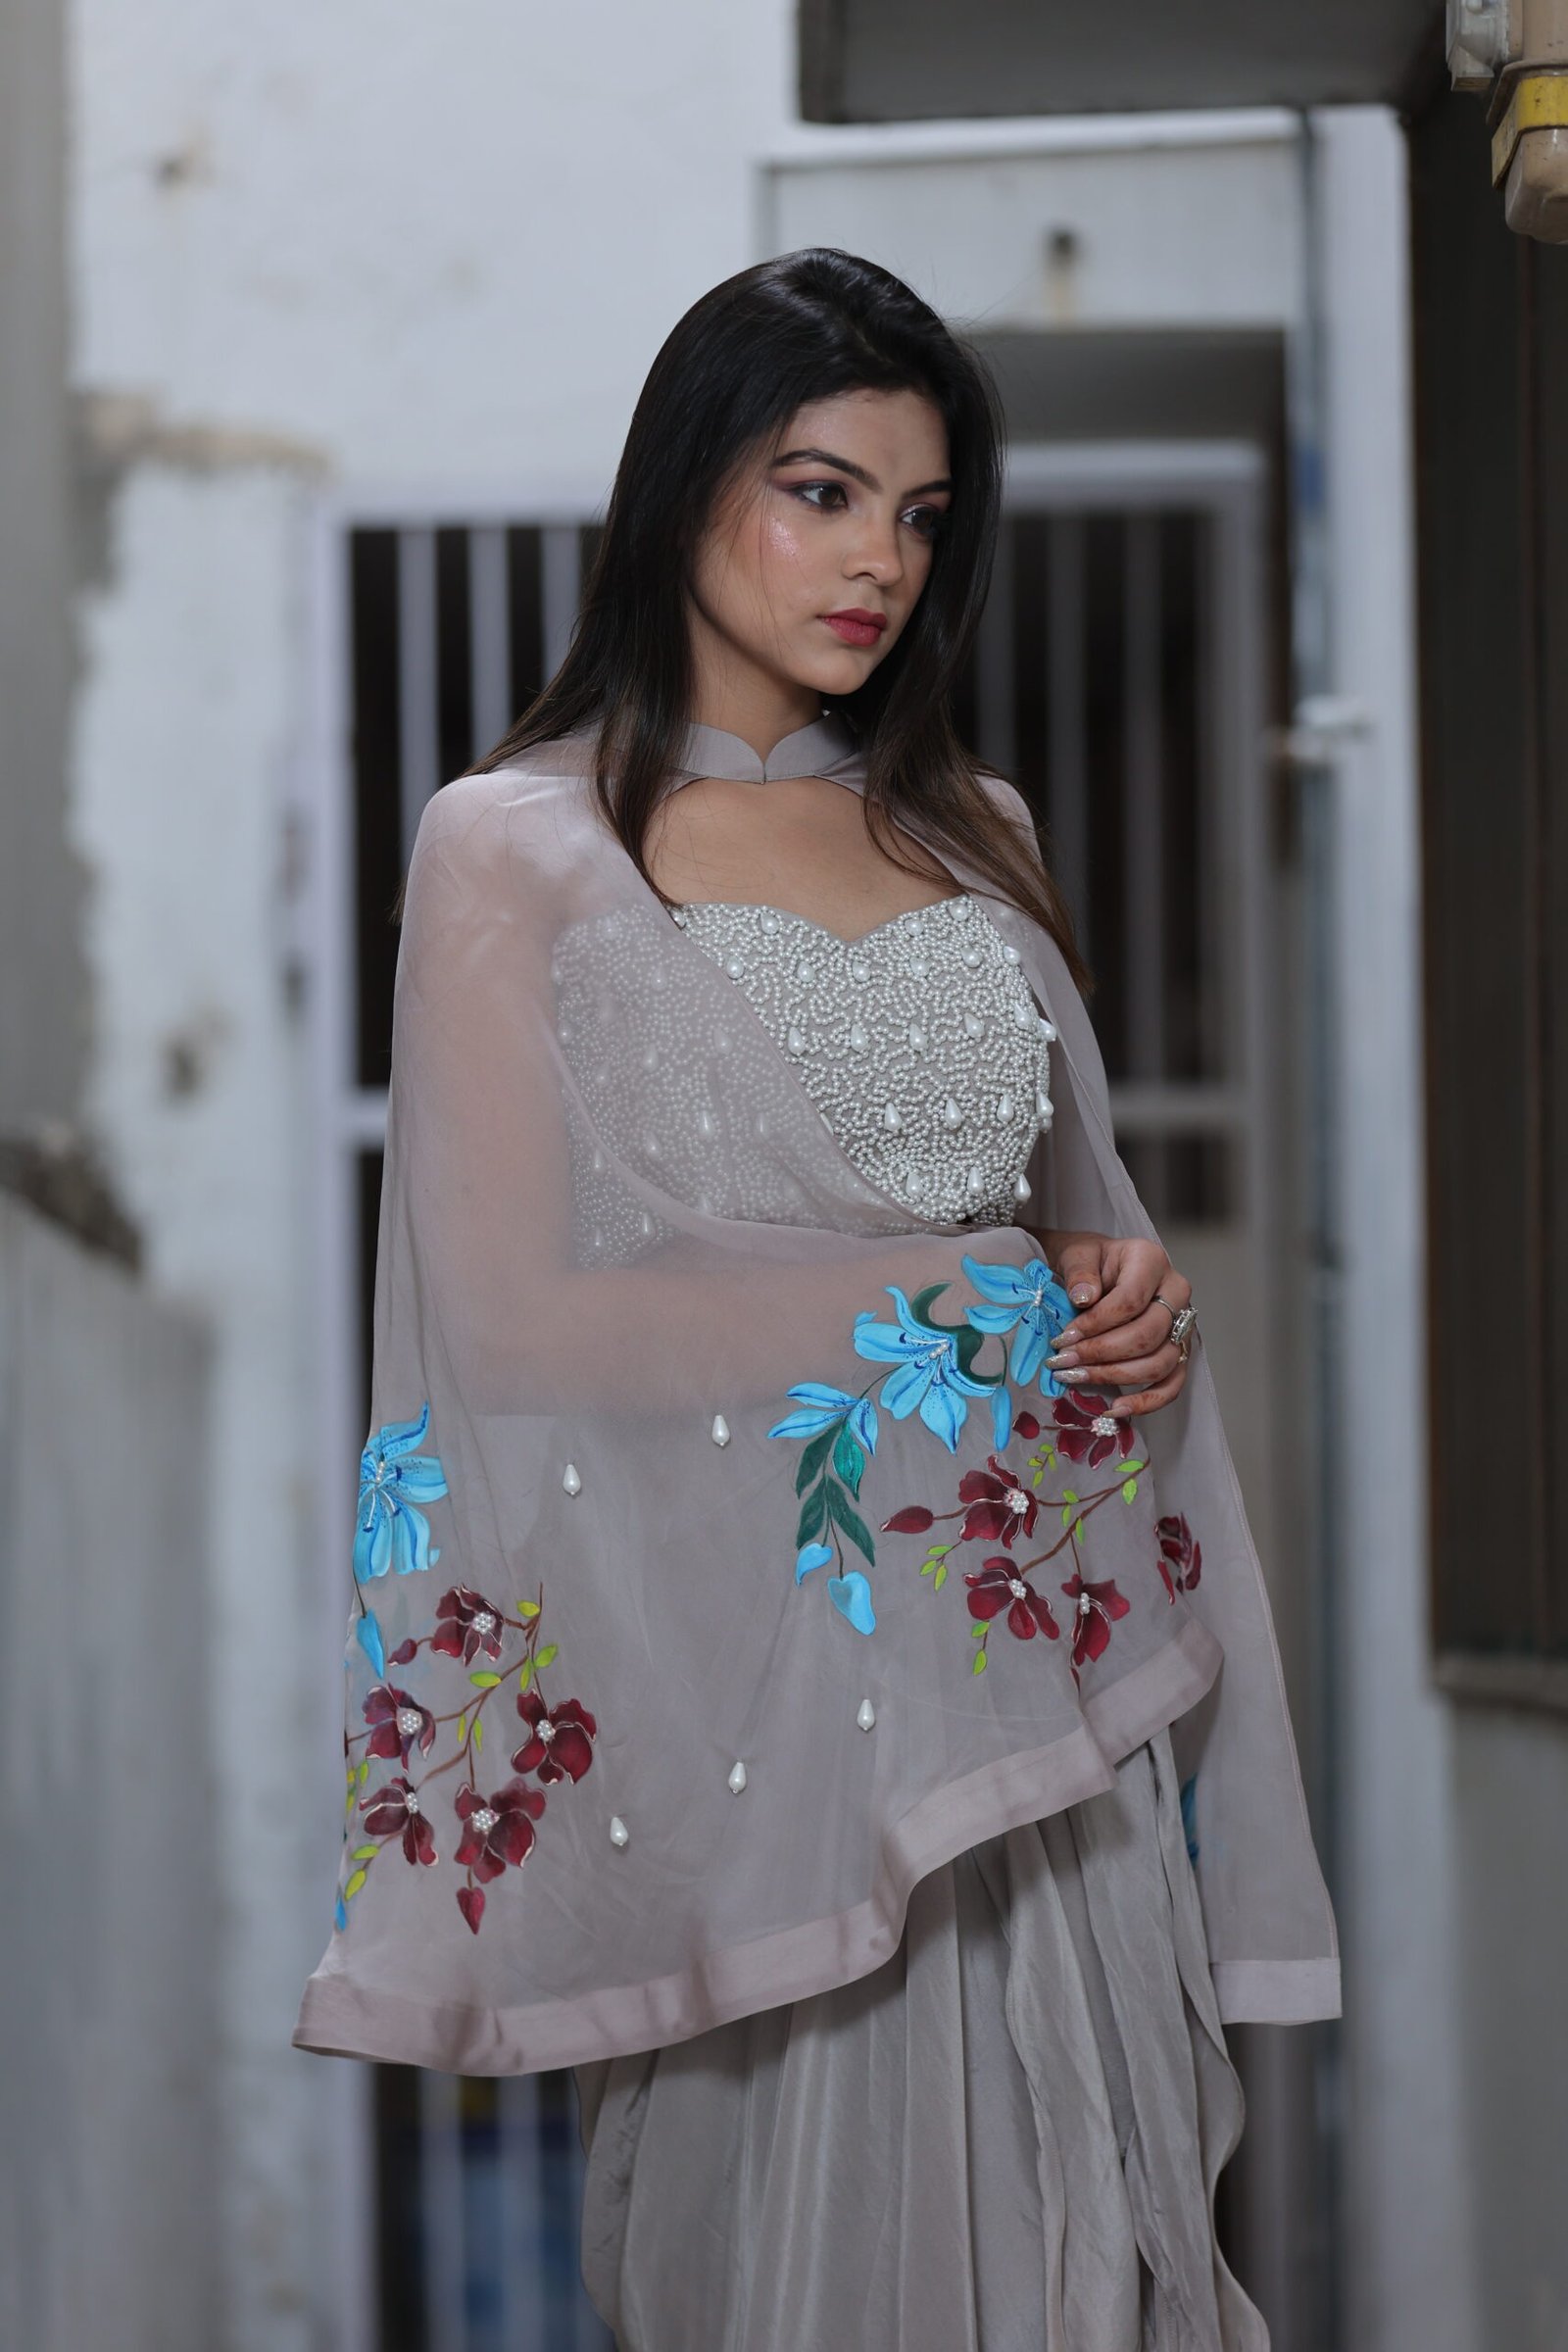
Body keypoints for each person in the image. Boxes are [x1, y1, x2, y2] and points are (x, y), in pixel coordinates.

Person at [294, 248, 1339, 2351]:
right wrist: (934, 1300)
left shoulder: (969, 831)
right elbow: (514, 1330)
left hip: (1026, 1697)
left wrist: (1116, 1293)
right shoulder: (516, 847)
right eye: (821, 492)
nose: (880, 562)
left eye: (920, 514)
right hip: (751, 1721)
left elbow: (1063, 1230)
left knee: (1076, 2253)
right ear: (684, 489)